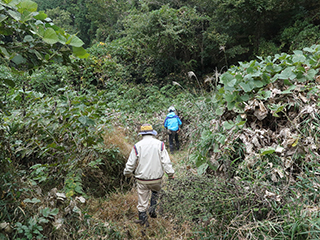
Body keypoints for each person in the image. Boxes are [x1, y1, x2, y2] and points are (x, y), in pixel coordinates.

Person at [123, 124, 175, 226]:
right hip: (157, 179)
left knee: (142, 201)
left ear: (141, 134)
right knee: (155, 191)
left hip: (142, 180)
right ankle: (152, 209)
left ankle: (143, 222)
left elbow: (130, 164)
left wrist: (127, 174)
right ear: (152, 133)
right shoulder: (160, 144)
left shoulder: (137, 146)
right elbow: (166, 162)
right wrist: (170, 174)